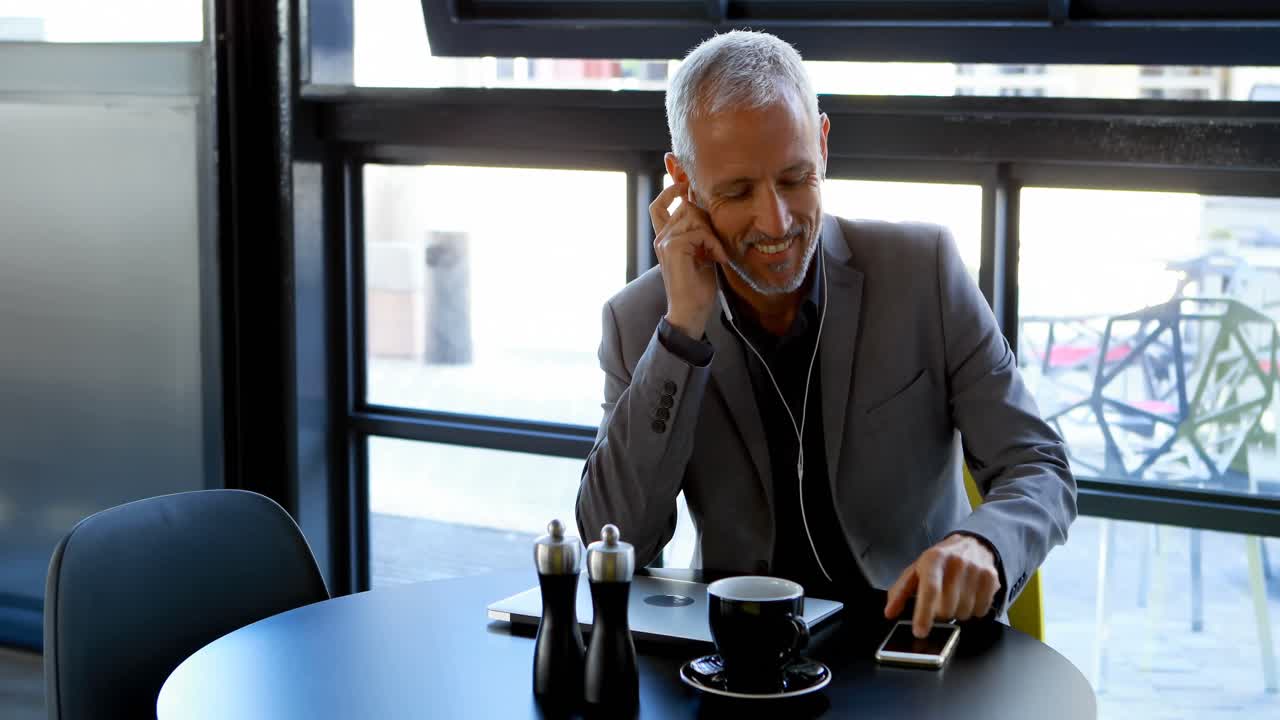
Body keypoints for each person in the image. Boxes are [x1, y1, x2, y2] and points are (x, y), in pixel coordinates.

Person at [576, 30, 1076, 638]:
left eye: (794, 178)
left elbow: (1038, 463)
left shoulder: (924, 271)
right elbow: (617, 537)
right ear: (682, 182)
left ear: (824, 143)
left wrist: (984, 543)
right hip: (740, 659)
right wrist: (683, 332)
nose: (776, 221)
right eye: (737, 192)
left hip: (910, 645)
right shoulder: (642, 323)